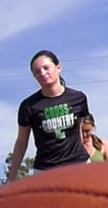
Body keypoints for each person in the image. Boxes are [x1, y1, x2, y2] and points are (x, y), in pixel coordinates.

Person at [8, 50, 91, 182]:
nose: (43, 73)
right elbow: (21, 142)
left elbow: (79, 130)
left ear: (58, 67)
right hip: (46, 171)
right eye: (37, 71)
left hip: (79, 165)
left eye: (46, 68)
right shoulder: (28, 106)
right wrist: (12, 176)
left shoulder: (78, 98)